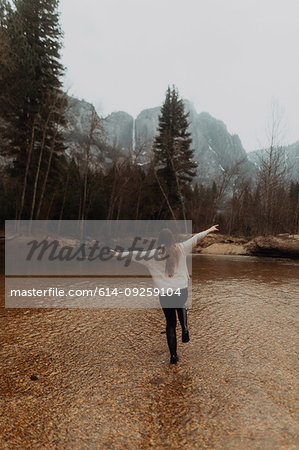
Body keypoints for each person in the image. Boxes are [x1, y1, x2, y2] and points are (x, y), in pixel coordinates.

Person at [111, 224, 219, 364]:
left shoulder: (152, 254)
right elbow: (196, 238)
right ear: (172, 238)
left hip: (166, 294)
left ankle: (173, 356)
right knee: (180, 304)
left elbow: (134, 255)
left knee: (170, 324)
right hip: (181, 291)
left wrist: (116, 253)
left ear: (159, 240)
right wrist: (208, 230)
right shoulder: (181, 248)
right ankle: (185, 328)